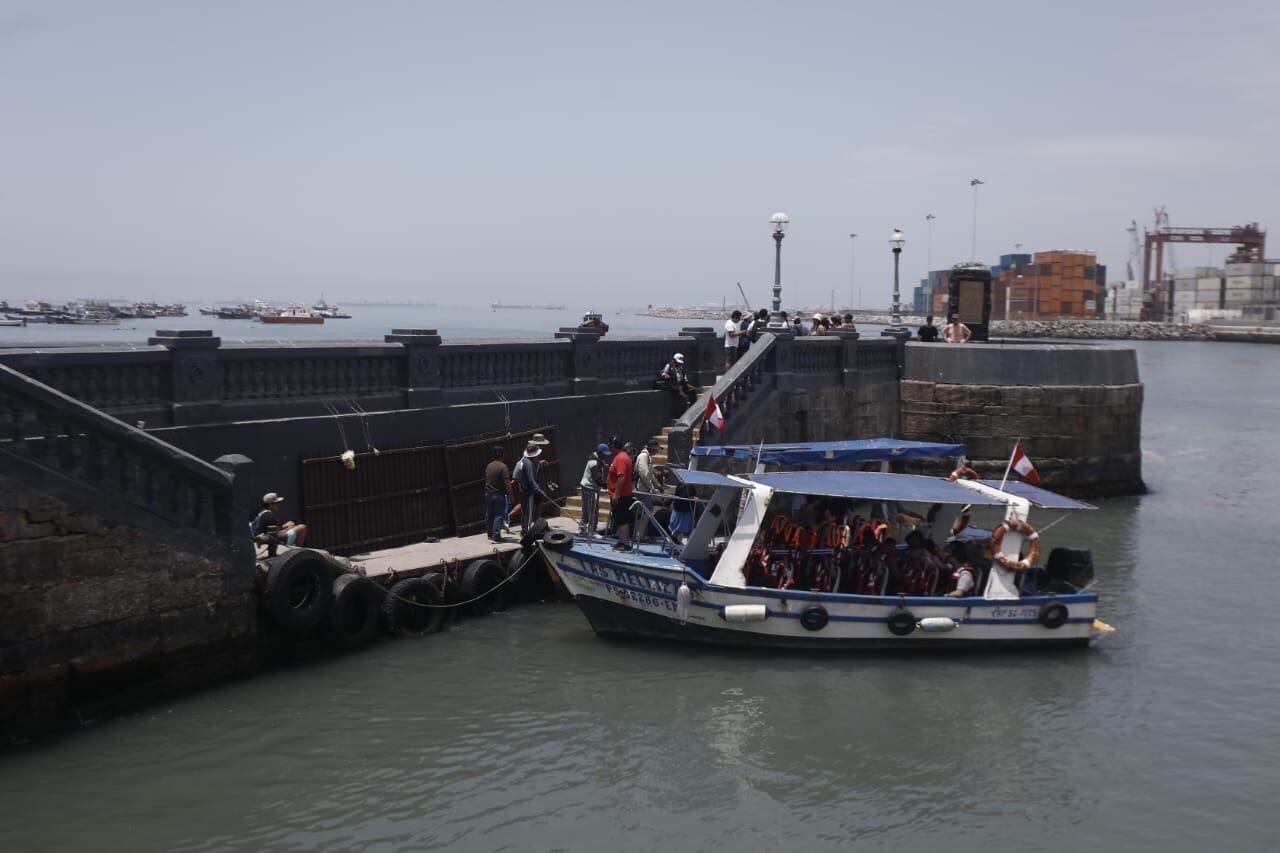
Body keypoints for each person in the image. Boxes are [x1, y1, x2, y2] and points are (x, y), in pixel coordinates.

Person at [512, 437, 551, 534]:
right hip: (528, 491)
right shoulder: (528, 464)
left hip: (523, 489)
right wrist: (539, 490)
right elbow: (531, 480)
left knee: (525, 512)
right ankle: (527, 532)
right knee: (528, 513)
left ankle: (524, 529)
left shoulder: (524, 461)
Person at [607, 437, 635, 550]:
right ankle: (622, 541)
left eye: (611, 445)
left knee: (622, 520)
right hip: (621, 495)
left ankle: (625, 544)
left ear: (614, 446)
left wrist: (616, 494)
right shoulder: (621, 457)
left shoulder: (621, 458)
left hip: (621, 496)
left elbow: (621, 477)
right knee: (620, 520)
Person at [578, 442, 610, 535]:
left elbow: (600, 463)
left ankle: (582, 529)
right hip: (590, 488)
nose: (605, 456)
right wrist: (608, 486)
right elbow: (597, 479)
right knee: (593, 510)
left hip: (587, 486)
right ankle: (592, 531)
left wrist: (605, 466)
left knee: (587, 510)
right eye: (604, 454)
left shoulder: (596, 458)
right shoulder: (594, 463)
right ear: (600, 453)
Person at [634, 438, 660, 541]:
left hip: (643, 489)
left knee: (641, 513)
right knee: (648, 511)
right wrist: (652, 488)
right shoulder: (644, 456)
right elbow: (643, 474)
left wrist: (658, 484)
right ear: (652, 449)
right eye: (657, 449)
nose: (657, 451)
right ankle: (639, 536)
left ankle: (637, 535)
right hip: (641, 489)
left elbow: (650, 474)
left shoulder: (647, 457)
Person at [483, 445, 509, 542]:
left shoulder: (489, 466)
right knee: (498, 515)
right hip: (498, 494)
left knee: (489, 514)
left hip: (488, 493)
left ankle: (490, 534)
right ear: (502, 455)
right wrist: (511, 495)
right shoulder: (503, 467)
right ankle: (496, 536)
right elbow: (506, 482)